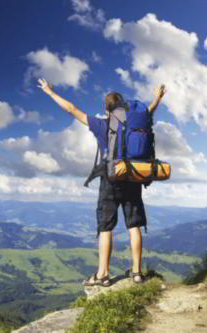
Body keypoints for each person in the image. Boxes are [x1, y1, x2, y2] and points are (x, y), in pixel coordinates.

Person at [37, 78, 166, 285]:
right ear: (123, 107)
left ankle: (103, 275)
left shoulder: (101, 124)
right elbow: (149, 112)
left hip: (110, 178)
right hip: (132, 175)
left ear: (106, 108)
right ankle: (137, 272)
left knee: (106, 227)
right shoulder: (134, 123)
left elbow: (71, 109)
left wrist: (50, 93)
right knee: (134, 225)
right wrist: (157, 98)